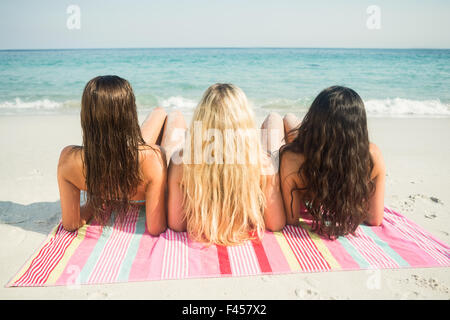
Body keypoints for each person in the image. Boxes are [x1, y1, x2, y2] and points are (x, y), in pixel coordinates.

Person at [57, 75, 179, 235]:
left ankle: (159, 113)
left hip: (123, 161)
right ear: (130, 115)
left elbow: (71, 223)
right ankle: (173, 115)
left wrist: (97, 200)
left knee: (158, 112)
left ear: (86, 116)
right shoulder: (154, 157)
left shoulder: (68, 159)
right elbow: (156, 228)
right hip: (143, 165)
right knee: (176, 117)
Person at [167, 83, 286, 245]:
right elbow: (276, 223)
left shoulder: (181, 163)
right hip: (252, 160)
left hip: (194, 162)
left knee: (175, 118)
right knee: (274, 119)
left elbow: (176, 224)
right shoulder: (263, 164)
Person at [279, 86, 386, 239]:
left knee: (286, 119)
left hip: (310, 161)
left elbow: (291, 220)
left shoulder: (291, 159)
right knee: (290, 120)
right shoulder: (372, 155)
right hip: (335, 160)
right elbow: (375, 219)